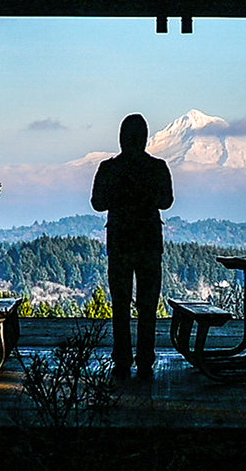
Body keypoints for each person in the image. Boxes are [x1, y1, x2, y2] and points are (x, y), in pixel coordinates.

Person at [90, 113, 174, 380]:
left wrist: (120, 196)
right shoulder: (158, 167)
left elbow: (97, 203)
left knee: (121, 303)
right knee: (148, 304)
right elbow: (166, 201)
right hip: (149, 242)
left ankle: (122, 358)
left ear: (122, 138)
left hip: (120, 242)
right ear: (145, 138)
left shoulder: (109, 168)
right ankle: (146, 359)